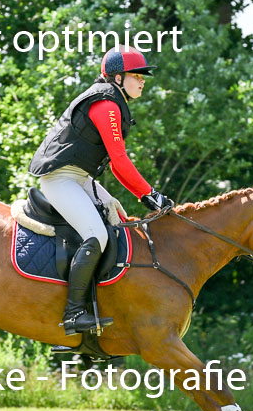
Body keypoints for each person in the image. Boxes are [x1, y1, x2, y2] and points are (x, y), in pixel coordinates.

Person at [29, 46, 175, 336]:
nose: (142, 81)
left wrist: (145, 195)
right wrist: (150, 193)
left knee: (117, 218)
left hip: (79, 177)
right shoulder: (106, 105)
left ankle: (104, 304)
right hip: (60, 179)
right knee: (96, 234)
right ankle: (73, 313)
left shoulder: (113, 102)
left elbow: (116, 165)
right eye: (136, 76)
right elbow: (120, 161)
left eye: (143, 77)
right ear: (117, 77)